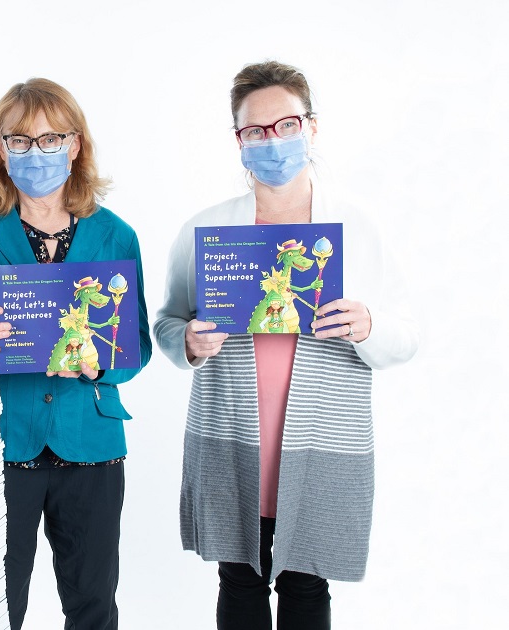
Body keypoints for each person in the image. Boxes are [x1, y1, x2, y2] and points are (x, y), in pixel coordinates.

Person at [153, 60, 419, 629]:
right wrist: (192, 344)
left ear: (311, 128)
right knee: (239, 580)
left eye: (287, 125)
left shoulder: (355, 226)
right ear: (238, 142)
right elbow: (168, 325)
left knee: (306, 585)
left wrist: (369, 323)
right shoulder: (208, 231)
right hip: (233, 438)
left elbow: (408, 336)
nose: (272, 141)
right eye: (255, 131)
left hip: (320, 441)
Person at [0, 78, 151, 630]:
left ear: (75, 146)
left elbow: (138, 347)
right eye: (21, 141)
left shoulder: (116, 235)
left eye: (52, 139)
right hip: (3, 445)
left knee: (93, 606)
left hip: (92, 442)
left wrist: (102, 360)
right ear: (1, 150)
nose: (37, 153)